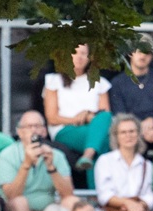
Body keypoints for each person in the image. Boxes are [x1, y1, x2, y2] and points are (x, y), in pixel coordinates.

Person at [0, 111, 74, 211]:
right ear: (20, 132)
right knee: (20, 202)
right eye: (29, 127)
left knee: (71, 202)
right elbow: (11, 195)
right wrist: (26, 164)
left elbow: (68, 193)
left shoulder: (56, 155)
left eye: (38, 126)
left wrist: (51, 167)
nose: (34, 130)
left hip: (47, 210)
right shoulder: (7, 155)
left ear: (44, 131)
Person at [43, 43, 111, 180]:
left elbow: (105, 114)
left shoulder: (100, 82)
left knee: (105, 121)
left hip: (92, 128)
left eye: (83, 53)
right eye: (74, 53)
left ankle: (87, 156)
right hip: (64, 130)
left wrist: (88, 114)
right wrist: (81, 118)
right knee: (104, 141)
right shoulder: (53, 81)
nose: (79, 57)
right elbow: (52, 118)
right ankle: (97, 193)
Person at [94, 114, 153, 211]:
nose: (128, 135)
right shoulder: (105, 161)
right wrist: (127, 203)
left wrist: (141, 205)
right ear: (116, 136)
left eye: (132, 131)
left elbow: (150, 193)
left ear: (138, 134)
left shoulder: (146, 164)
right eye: (123, 132)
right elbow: (104, 194)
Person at [107, 36, 153, 154]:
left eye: (147, 52)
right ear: (130, 53)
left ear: (152, 56)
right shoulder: (118, 82)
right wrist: (139, 128)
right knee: (122, 127)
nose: (143, 56)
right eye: (139, 51)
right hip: (131, 128)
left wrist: (152, 121)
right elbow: (119, 114)